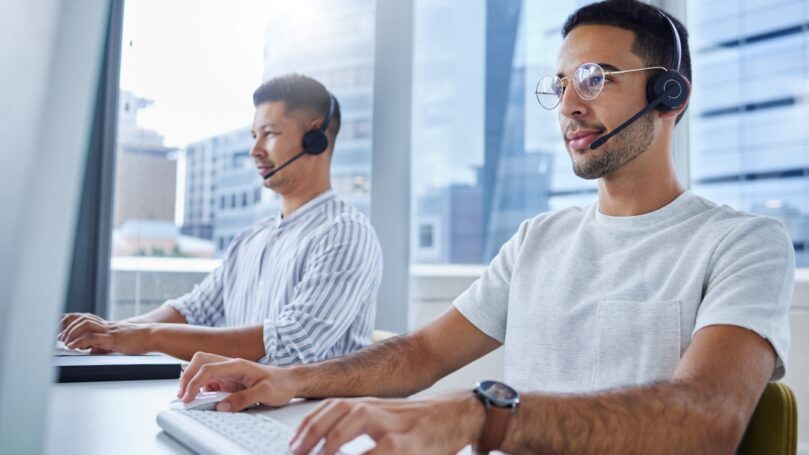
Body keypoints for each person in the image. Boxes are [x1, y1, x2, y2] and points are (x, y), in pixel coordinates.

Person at [177, 1, 795, 453]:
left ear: (670, 95)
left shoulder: (743, 244)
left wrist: (482, 416)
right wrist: (289, 378)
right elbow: (422, 354)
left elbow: (705, 420)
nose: (570, 105)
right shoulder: (538, 239)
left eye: (595, 79)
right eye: (560, 85)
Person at [59, 74, 383, 365]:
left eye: (268, 134)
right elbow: (193, 311)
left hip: (309, 422)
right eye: (253, 135)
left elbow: (290, 345)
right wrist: (112, 334)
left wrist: (148, 336)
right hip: (243, 411)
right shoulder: (253, 238)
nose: (254, 150)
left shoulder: (346, 233)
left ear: (316, 137)